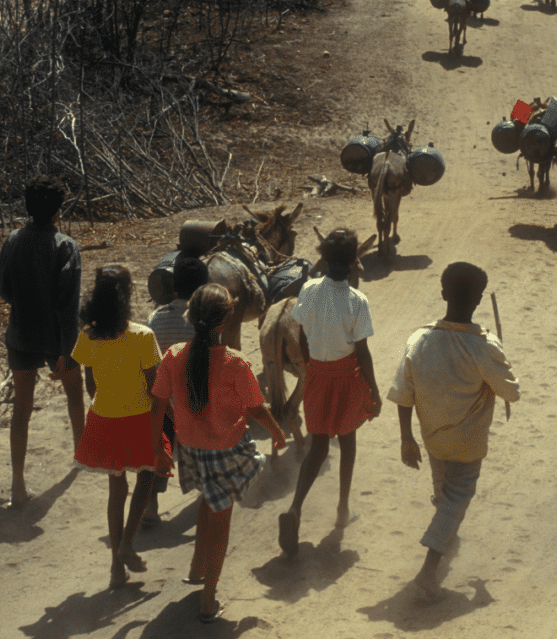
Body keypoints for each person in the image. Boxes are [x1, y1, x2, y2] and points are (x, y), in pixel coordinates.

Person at [151, 284, 286, 622]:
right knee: (221, 519)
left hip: (191, 450)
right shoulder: (235, 362)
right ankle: (208, 599)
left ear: (191, 316)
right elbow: (256, 409)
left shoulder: (173, 356)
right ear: (224, 322)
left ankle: (197, 567)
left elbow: (158, 404)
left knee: (208, 498)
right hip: (225, 451)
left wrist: (160, 447)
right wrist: (277, 432)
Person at [388, 262, 520, 601]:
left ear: (443, 293)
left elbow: (403, 393)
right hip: (468, 442)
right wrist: (501, 360)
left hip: (432, 439)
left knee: (444, 494)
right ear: (477, 300)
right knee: (457, 499)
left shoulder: (418, 340)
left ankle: (447, 535)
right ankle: (429, 570)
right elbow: (511, 393)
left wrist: (407, 438)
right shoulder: (484, 345)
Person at [278, 229, 382, 556]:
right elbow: (362, 352)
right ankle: (342, 509)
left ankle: (295, 508)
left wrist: (311, 368)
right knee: (347, 441)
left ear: (323, 258)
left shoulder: (308, 290)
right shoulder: (357, 300)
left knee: (318, 446)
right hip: (346, 375)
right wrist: (374, 391)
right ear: (354, 262)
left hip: (317, 376)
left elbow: (303, 334)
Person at [71, 265, 173, 589]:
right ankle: (128, 541)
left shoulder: (87, 336)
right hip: (139, 417)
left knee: (117, 490)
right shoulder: (142, 335)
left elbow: (90, 385)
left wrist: (108, 402)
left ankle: (116, 567)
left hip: (104, 418)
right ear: (128, 295)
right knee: (147, 474)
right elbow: (154, 387)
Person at [0, 175, 85, 508]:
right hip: (57, 339)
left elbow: (1, 286)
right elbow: (68, 305)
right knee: (74, 394)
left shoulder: (13, 240)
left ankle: (17, 485)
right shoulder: (66, 246)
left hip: (20, 334)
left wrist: (23, 301)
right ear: (58, 210)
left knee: (22, 409)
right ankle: (81, 456)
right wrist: (66, 351)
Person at [141, 257, 210, 526]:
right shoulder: (202, 322)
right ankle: (207, 487)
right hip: (192, 402)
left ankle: (150, 505)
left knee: (160, 448)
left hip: (160, 401)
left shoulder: (154, 319)